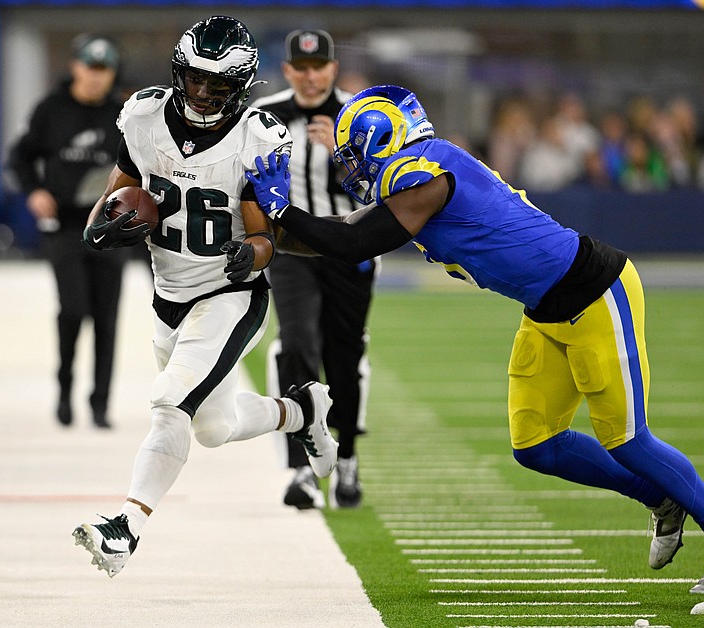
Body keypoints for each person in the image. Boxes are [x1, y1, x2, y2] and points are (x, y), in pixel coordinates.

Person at [247, 84, 704, 590]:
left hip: (595, 291)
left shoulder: (421, 173)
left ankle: (673, 497)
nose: (351, 168)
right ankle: (660, 497)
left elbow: (355, 240)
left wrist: (283, 211)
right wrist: (268, 231)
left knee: (629, 440)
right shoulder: (418, 171)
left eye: (354, 154)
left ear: (381, 137)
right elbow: (343, 229)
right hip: (547, 309)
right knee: (537, 445)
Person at [71, 16, 338, 578]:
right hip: (168, 293)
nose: (202, 93)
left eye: (218, 85)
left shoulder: (257, 135)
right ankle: (302, 410)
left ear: (240, 85)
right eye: (194, 79)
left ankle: (126, 528)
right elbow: (121, 190)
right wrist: (103, 222)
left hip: (229, 294)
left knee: (170, 400)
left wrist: (253, 256)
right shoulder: (143, 115)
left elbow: (265, 236)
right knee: (212, 428)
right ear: (177, 72)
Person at [251, 30, 373, 510]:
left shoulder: (362, 115)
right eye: (299, 68)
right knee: (298, 345)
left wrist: (343, 160)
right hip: (291, 251)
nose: (309, 75)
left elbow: (390, 192)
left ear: (332, 69)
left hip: (351, 248)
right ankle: (302, 466)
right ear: (287, 72)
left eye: (317, 66)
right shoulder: (264, 117)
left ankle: (346, 459)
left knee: (344, 355)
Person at [9, 34, 128, 429]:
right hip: (64, 226)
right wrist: (34, 191)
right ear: (75, 68)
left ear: (112, 74)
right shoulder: (52, 109)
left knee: (107, 318)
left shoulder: (123, 115)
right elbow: (20, 155)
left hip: (110, 227)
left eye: (104, 70)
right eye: (90, 68)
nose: (96, 78)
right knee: (73, 309)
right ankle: (64, 389)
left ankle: (100, 403)